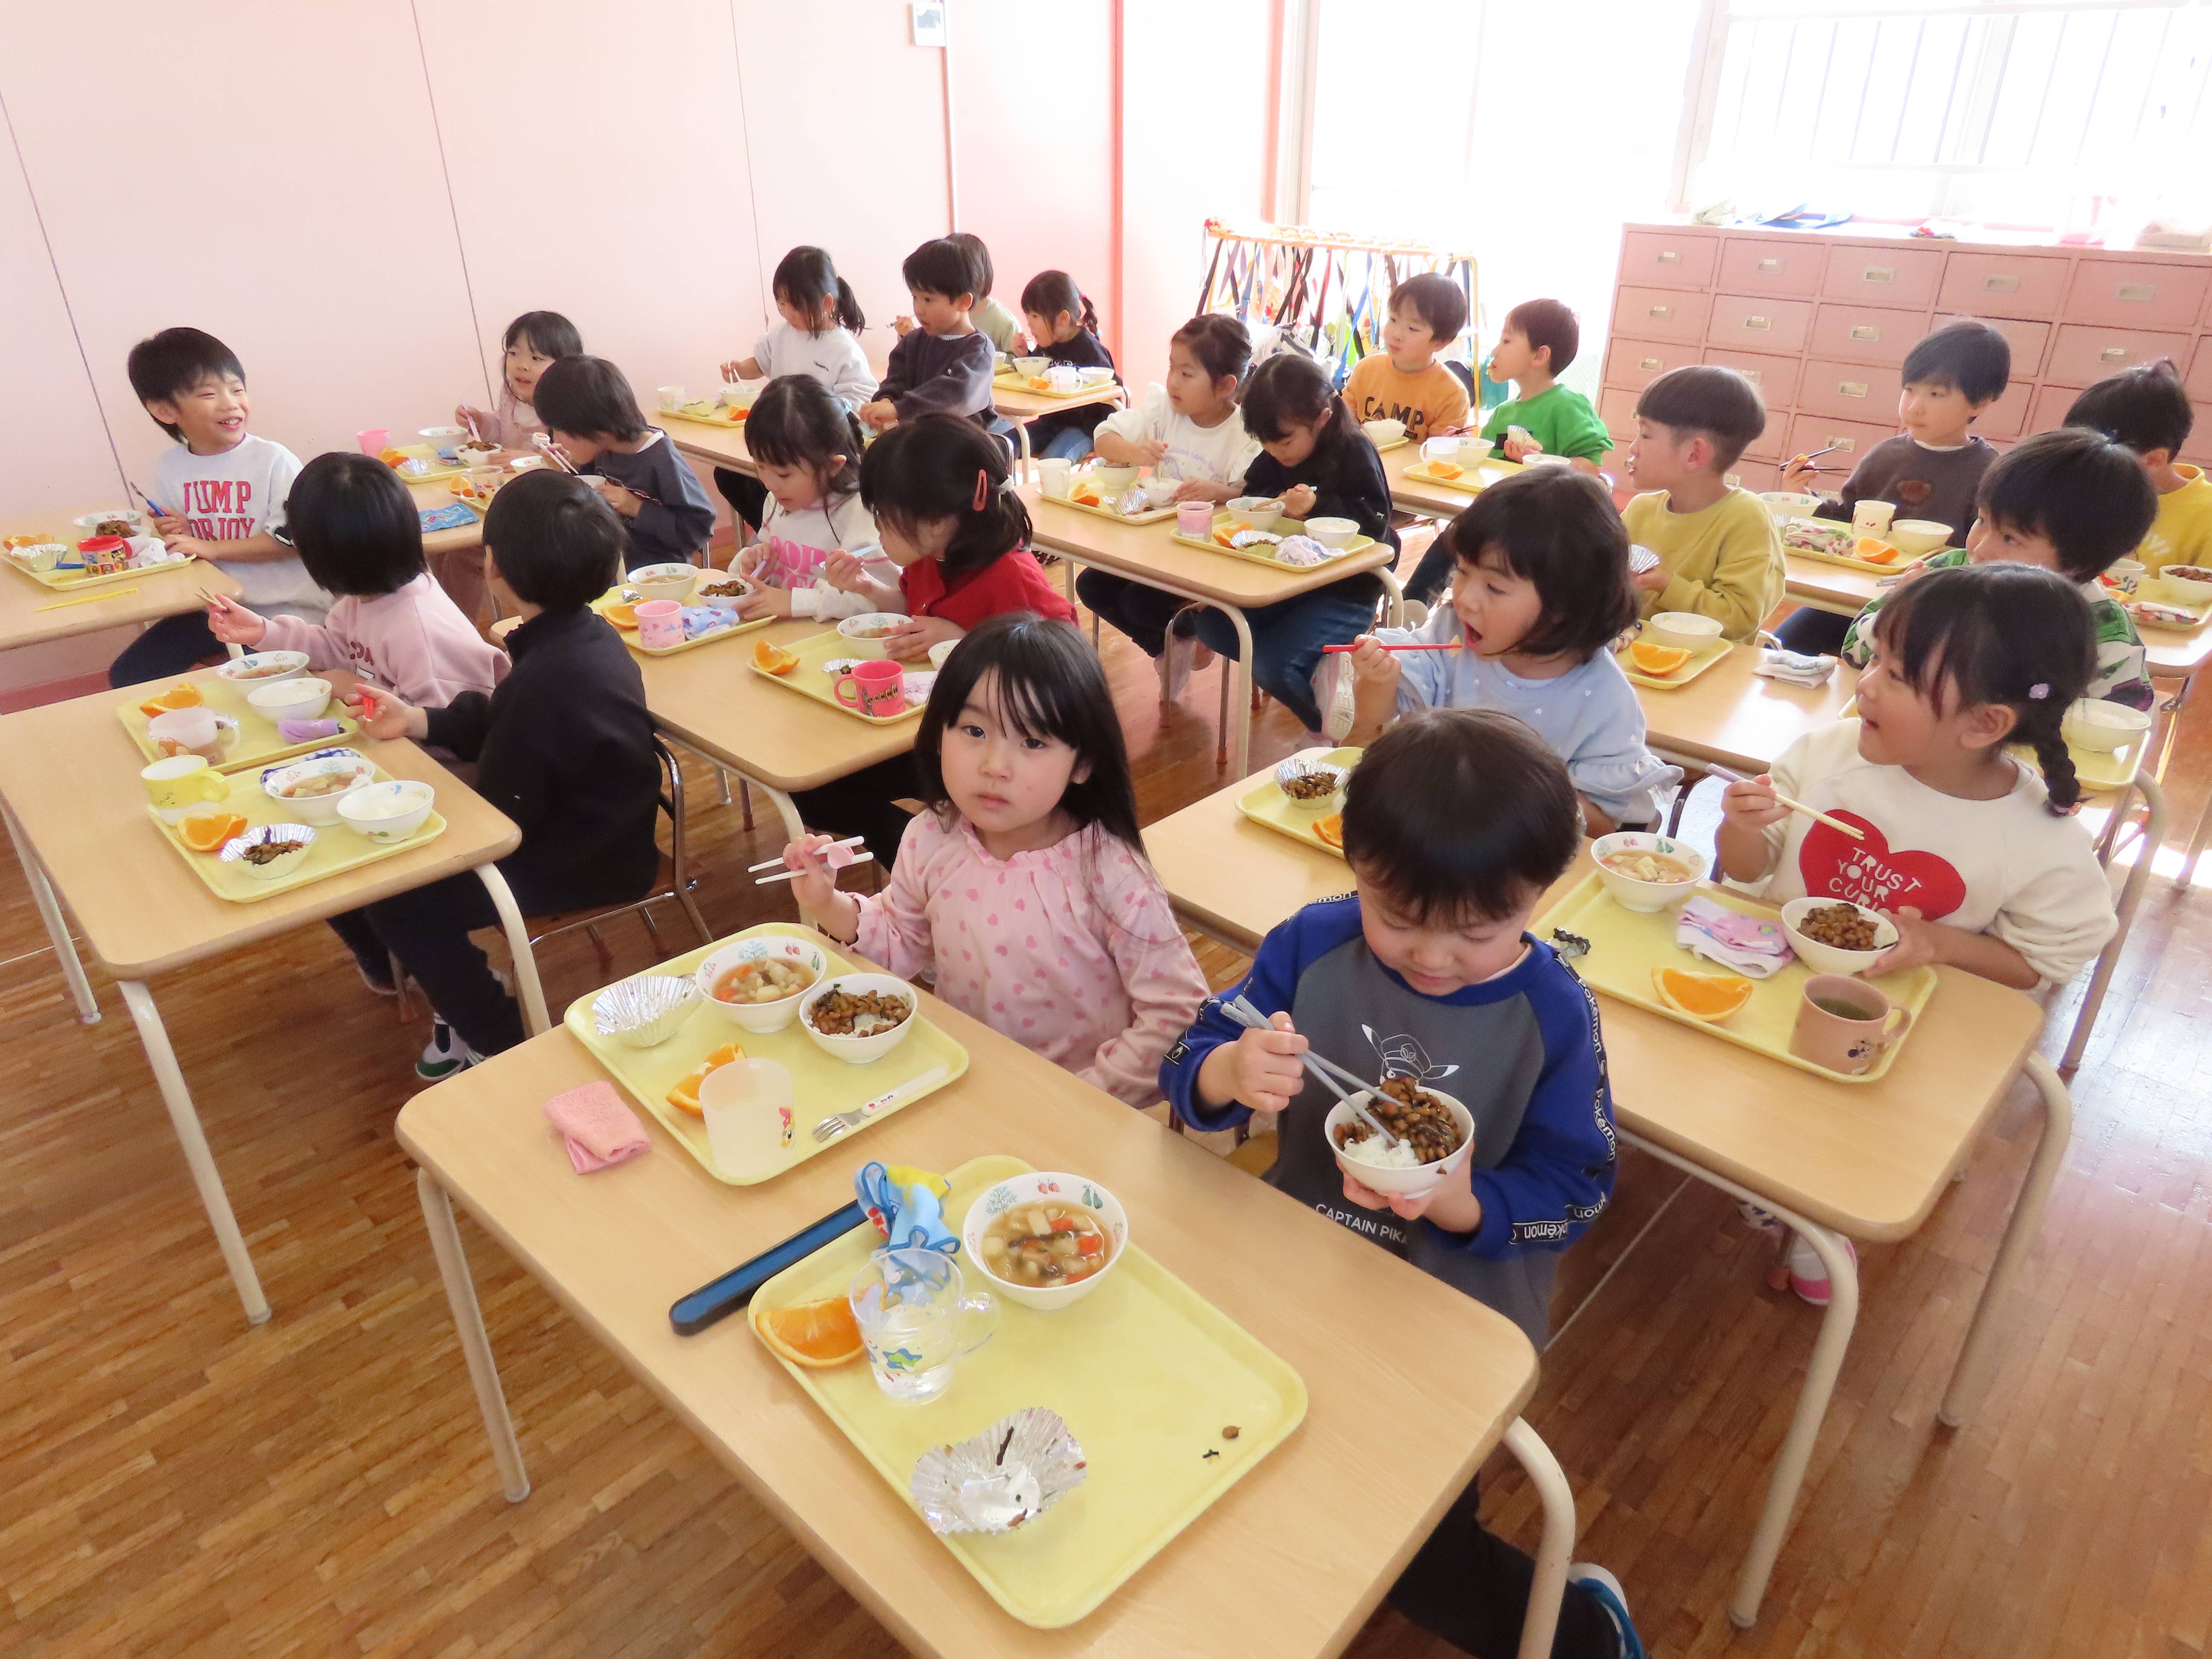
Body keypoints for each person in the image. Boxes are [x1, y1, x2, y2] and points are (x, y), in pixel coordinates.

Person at [1158, 708, 1646, 1659]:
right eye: (1399, 918)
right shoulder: (1314, 944)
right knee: (1234, 1449)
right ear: (1355, 866)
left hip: (1451, 1313)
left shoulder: (1554, 1011)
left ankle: (1584, 1631)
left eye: (1479, 932)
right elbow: (1196, 1052)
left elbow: (1580, 1188)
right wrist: (1228, 1074)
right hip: (1294, 1262)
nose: (1432, 956)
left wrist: (1466, 1201)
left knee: (1423, 1552)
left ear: (1544, 892)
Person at [782, 614, 1208, 1105]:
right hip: (964, 1084)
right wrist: (828, 903)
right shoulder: (933, 837)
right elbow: (902, 938)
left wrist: (1088, 1096)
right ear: (939, 734)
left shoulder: (1111, 874)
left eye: (1031, 742)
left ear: (1084, 764)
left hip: (1080, 1114)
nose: (994, 767)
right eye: (974, 731)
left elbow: (1176, 1015)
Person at [333, 470, 661, 1077]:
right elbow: (498, 718)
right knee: (400, 880)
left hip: (586, 860)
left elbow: (502, 819)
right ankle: (461, 1004)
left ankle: (497, 1035)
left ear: (494, 569)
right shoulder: (581, 637)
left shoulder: (548, 678)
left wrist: (421, 826)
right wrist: (419, 722)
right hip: (597, 832)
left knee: (399, 903)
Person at [1722, 562, 2118, 993]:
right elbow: (1746, 870)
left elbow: (2040, 964)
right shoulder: (1829, 752)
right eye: (1876, 658)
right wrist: (1742, 827)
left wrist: (1941, 944)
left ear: (1985, 724)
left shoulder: (2040, 839)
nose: (1865, 685)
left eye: (1897, 676)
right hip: (1767, 981)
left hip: (1895, 1018)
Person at [793, 415, 1077, 868]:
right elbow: (913, 605)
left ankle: (931, 861)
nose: (879, 530)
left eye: (886, 517)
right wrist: (868, 587)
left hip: (994, 754)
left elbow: (1064, 662)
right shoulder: (933, 557)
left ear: (941, 519)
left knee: (824, 790)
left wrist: (965, 641)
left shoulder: (1012, 576)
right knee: (808, 789)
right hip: (930, 730)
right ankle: (928, 855)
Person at [1344, 469, 1678, 833]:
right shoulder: (1450, 636)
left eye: (1495, 588)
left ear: (1564, 603)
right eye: (1463, 572)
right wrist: (1380, 680)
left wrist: (1519, 792)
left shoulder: (1604, 701)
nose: (1465, 599)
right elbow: (1367, 718)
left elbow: (1607, 829)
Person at [1151, 352, 1390, 734]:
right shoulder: (1277, 449)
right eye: (1265, 442)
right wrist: (1274, 501)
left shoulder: (1353, 450)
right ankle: (1315, 670)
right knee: (1214, 627)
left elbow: (1376, 525)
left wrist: (1315, 507)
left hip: (1345, 590)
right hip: (1284, 583)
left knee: (1272, 665)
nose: (1277, 451)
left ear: (1322, 419)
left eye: (1285, 440)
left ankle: (1326, 730)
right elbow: (1257, 491)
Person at [1839, 428, 2158, 710]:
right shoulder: (1943, 576)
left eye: (2010, 539)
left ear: (2079, 562)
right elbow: (1855, 650)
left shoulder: (2102, 628)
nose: (1979, 549)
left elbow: (2125, 722)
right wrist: (1900, 615)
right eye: (1982, 521)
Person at [1773, 319, 2010, 655]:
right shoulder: (1886, 455)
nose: (1914, 406)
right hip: (1855, 599)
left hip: (1929, 613)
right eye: (1910, 390)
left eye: (1936, 394)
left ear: (1981, 402)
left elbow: (1982, 556)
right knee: (1781, 648)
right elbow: (1847, 518)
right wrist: (1802, 497)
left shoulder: (1989, 473)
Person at [203, 452, 506, 709]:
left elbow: (445, 733)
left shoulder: (419, 633)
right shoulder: (363, 599)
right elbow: (337, 647)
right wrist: (263, 632)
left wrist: (354, 687)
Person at [113, 327, 329, 687]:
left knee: (249, 685)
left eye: (238, 389)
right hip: (214, 611)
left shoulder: (273, 460)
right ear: (165, 409)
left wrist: (209, 547)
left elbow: (293, 541)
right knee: (130, 675)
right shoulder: (170, 468)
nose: (231, 403)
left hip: (285, 613)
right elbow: (191, 549)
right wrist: (178, 536)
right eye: (209, 394)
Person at [1077, 316, 1261, 696]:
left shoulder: (1244, 431)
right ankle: (1170, 645)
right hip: (1157, 545)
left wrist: (1217, 491)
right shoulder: (1165, 411)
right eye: (1172, 368)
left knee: (1138, 602)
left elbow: (1253, 493)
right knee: (1091, 585)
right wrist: (1134, 451)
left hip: (1207, 554)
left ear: (1226, 386)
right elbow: (1105, 436)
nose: (1173, 381)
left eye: (1187, 373)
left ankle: (1194, 626)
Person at [713, 247, 878, 535]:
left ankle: (797, 531)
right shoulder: (781, 335)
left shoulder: (844, 349)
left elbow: (859, 402)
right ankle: (780, 533)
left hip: (817, 450)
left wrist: (824, 419)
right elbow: (760, 363)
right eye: (781, 304)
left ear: (826, 303)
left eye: (795, 306)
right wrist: (739, 368)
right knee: (728, 474)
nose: (787, 313)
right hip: (781, 440)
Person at [1618, 365, 1785, 641]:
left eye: (1646, 435)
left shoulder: (1745, 516)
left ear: (1695, 454)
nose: (1633, 448)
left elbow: (1740, 618)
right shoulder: (1641, 509)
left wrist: (1665, 585)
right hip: (1639, 658)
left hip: (1710, 671)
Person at [725, 376, 896, 621]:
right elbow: (775, 573)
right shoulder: (780, 500)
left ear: (833, 466)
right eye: (760, 466)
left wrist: (795, 602)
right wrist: (758, 566)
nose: (769, 484)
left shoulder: (862, 512)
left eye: (784, 474)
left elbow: (880, 601)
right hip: (791, 638)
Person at [532, 355, 716, 571]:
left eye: (560, 430)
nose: (557, 439)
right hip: (612, 561)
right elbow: (589, 491)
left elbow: (698, 529)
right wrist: (565, 466)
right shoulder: (601, 449)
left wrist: (637, 508)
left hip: (658, 574)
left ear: (595, 427)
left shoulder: (660, 458)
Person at [2064, 359, 2212, 578]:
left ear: (2154, 460)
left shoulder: (2205, 515)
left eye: (2099, 457)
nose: (2082, 467)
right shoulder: (2083, 490)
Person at [860, 238, 997, 432]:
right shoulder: (913, 342)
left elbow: (958, 394)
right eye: (915, 297)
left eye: (928, 300)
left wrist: (898, 409)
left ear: (963, 302)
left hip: (961, 446)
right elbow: (896, 382)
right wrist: (885, 402)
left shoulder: (978, 350)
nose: (919, 309)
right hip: (918, 439)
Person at [1476, 299, 1611, 469]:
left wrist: (1542, 463)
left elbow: (1592, 467)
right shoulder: (1502, 413)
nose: (1495, 351)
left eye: (1506, 341)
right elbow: (1483, 465)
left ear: (1540, 355)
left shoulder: (1568, 407)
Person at [1341, 271, 1471, 445]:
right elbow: (1346, 417)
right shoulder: (1366, 370)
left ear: (1440, 342)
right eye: (1393, 320)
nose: (1396, 334)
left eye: (1412, 329)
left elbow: (1437, 458)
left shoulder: (1451, 394)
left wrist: (1448, 444)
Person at [1018, 269, 1118, 462]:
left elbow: (1115, 392)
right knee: (1004, 444)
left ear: (1063, 319)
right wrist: (1025, 357)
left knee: (1052, 462)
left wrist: (1108, 436)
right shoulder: (1048, 345)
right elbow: (1037, 375)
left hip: (1084, 429)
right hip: (1050, 422)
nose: (1029, 324)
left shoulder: (1090, 350)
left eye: (1035, 317)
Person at [456, 309, 582, 452]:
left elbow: (570, 460)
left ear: (565, 365)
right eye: (514, 354)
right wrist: (480, 422)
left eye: (536, 358)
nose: (522, 366)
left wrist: (528, 461)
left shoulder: (566, 408)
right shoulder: (510, 393)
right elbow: (501, 429)